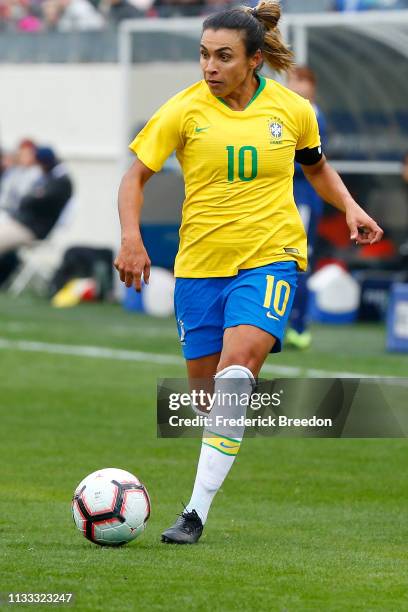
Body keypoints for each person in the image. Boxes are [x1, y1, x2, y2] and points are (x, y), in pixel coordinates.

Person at [115, 0, 383, 545]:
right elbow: (134, 178)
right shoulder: (183, 110)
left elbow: (317, 168)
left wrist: (349, 206)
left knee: (236, 375)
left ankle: (194, 513)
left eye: (223, 57)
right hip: (198, 269)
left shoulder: (292, 110)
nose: (210, 67)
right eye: (204, 55)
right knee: (206, 400)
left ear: (254, 60)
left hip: (271, 256)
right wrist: (131, 238)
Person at [285, 66, 327, 349]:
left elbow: (310, 163)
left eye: (300, 81)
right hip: (283, 196)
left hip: (303, 198)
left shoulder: (312, 115)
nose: (294, 86)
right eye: (290, 80)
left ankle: (299, 326)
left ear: (311, 86)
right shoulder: (285, 112)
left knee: (297, 259)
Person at [0, 146, 73, 256]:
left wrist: (32, 197)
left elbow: (29, 201)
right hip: (22, 223)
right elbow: (28, 199)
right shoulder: (48, 177)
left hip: (32, 229)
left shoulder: (60, 181)